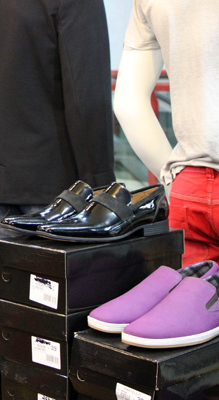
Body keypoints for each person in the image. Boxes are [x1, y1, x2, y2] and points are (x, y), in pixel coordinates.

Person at [0, 0, 116, 273]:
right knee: (64, 295)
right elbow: (87, 95)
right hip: (60, 190)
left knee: (10, 293)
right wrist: (102, 185)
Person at [114, 0, 219, 266]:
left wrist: (173, 180)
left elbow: (127, 103)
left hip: (190, 187)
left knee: (195, 292)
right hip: (190, 184)